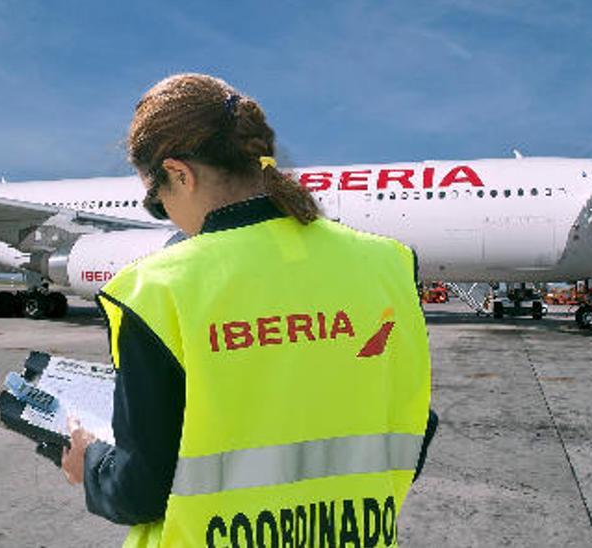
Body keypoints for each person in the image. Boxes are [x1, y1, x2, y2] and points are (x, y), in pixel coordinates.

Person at [61, 74, 437, 547]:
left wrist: (91, 465)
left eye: (158, 202)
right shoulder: (389, 265)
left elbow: (142, 490)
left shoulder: (156, 290)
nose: (167, 216)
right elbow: (414, 425)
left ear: (180, 174)